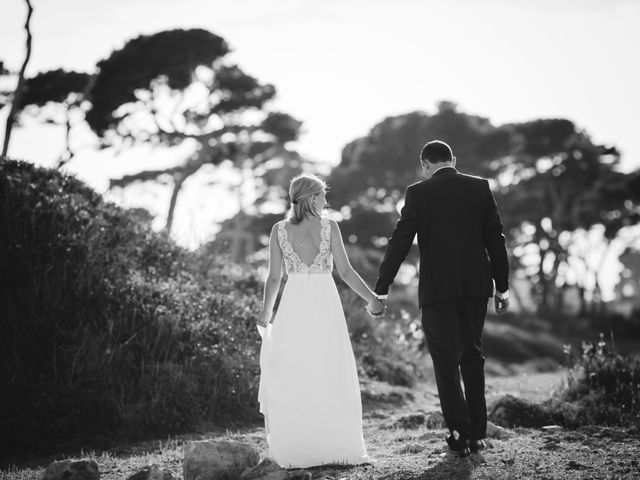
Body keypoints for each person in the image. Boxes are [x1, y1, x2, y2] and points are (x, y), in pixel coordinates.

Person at [372, 140, 510, 457]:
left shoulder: (418, 193)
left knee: (445, 362)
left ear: (425, 165)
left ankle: (459, 434)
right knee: (473, 356)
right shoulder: (480, 187)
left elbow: (400, 240)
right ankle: (477, 435)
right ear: (453, 160)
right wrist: (501, 286)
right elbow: (495, 238)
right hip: (476, 287)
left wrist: (383, 285)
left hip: (437, 290)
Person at [256, 173, 382, 468]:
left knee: (295, 369)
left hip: (293, 304)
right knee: (330, 366)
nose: (326, 200)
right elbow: (346, 273)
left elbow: (274, 276)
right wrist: (373, 299)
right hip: (325, 303)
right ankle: (335, 443)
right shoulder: (330, 227)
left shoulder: (278, 230)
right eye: (323, 195)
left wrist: (266, 311)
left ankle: (298, 446)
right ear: (312, 198)